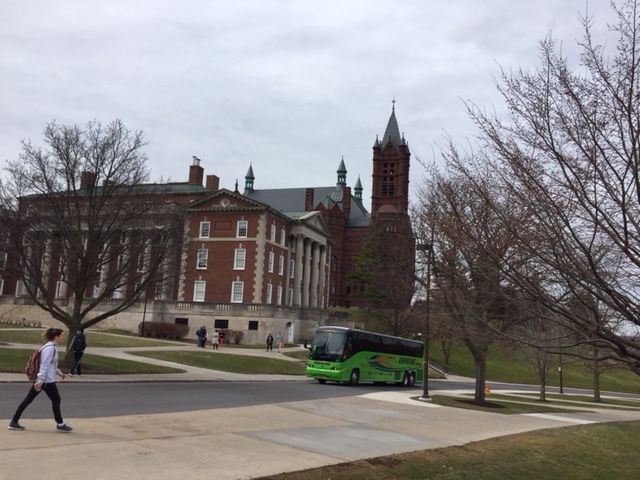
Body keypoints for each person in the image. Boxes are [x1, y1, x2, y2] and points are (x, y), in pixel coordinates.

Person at [8, 327, 73, 432]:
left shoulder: (51, 347)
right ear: (56, 337)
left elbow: (51, 365)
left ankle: (14, 421)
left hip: (43, 380)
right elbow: (44, 365)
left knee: (28, 399)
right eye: (62, 335)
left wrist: (58, 372)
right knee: (56, 399)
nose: (63, 337)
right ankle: (60, 424)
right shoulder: (50, 348)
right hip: (46, 381)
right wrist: (40, 381)